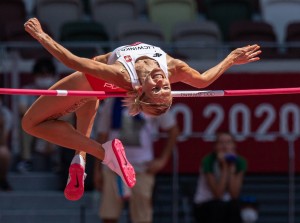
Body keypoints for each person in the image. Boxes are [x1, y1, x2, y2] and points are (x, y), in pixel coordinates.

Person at [22, 17, 261, 200]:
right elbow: (204, 80)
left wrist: (41, 35)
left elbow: (72, 61)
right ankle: (80, 159)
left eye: (156, 89)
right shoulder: (172, 67)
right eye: (166, 87)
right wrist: (231, 58)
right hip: (97, 71)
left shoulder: (123, 75)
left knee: (30, 123)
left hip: (97, 75)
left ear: (140, 90)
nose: (162, 82)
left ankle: (103, 153)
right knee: (86, 104)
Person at [94, 97, 179, 223]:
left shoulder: (153, 99)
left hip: (142, 167)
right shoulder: (111, 101)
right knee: (109, 216)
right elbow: (102, 135)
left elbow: (173, 130)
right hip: (114, 166)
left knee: (142, 218)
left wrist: (162, 160)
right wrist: (97, 169)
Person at [193, 131, 247, 223]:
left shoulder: (240, 161)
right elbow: (218, 194)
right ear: (214, 147)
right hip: (205, 203)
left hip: (226, 205)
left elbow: (234, 194)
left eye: (228, 142)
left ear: (234, 146)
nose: (225, 146)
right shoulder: (208, 161)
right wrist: (225, 167)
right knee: (218, 207)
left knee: (235, 207)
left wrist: (231, 168)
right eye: (221, 143)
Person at [18, 57, 58, 172]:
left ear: (53, 75)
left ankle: (58, 161)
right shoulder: (27, 89)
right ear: (34, 76)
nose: (44, 77)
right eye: (41, 74)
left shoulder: (60, 90)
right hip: (34, 126)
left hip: (54, 127)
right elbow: (22, 110)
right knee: (24, 125)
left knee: (65, 124)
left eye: (47, 74)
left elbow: (68, 114)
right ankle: (26, 160)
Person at [0, 95, 13, 191]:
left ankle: (2, 179)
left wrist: (1, 125)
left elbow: (3, 142)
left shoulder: (6, 114)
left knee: (4, 153)